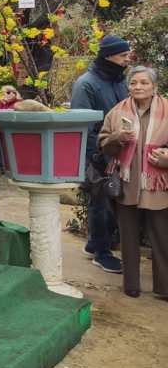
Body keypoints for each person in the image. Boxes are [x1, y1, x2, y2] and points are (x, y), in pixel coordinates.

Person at [97, 66, 168, 299]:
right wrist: (117, 138)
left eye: (144, 83)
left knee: (162, 237)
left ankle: (164, 288)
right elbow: (103, 144)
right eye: (134, 83)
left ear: (154, 86)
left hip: (158, 186)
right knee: (128, 238)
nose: (138, 87)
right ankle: (131, 285)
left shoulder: (167, 109)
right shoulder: (117, 111)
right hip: (126, 183)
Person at [71, 35, 131, 274]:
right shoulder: (85, 84)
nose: (127, 59)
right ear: (108, 56)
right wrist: (96, 157)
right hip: (97, 155)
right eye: (123, 55)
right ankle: (102, 253)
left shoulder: (119, 80)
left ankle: (94, 244)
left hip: (119, 152)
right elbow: (82, 125)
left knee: (111, 201)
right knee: (101, 203)